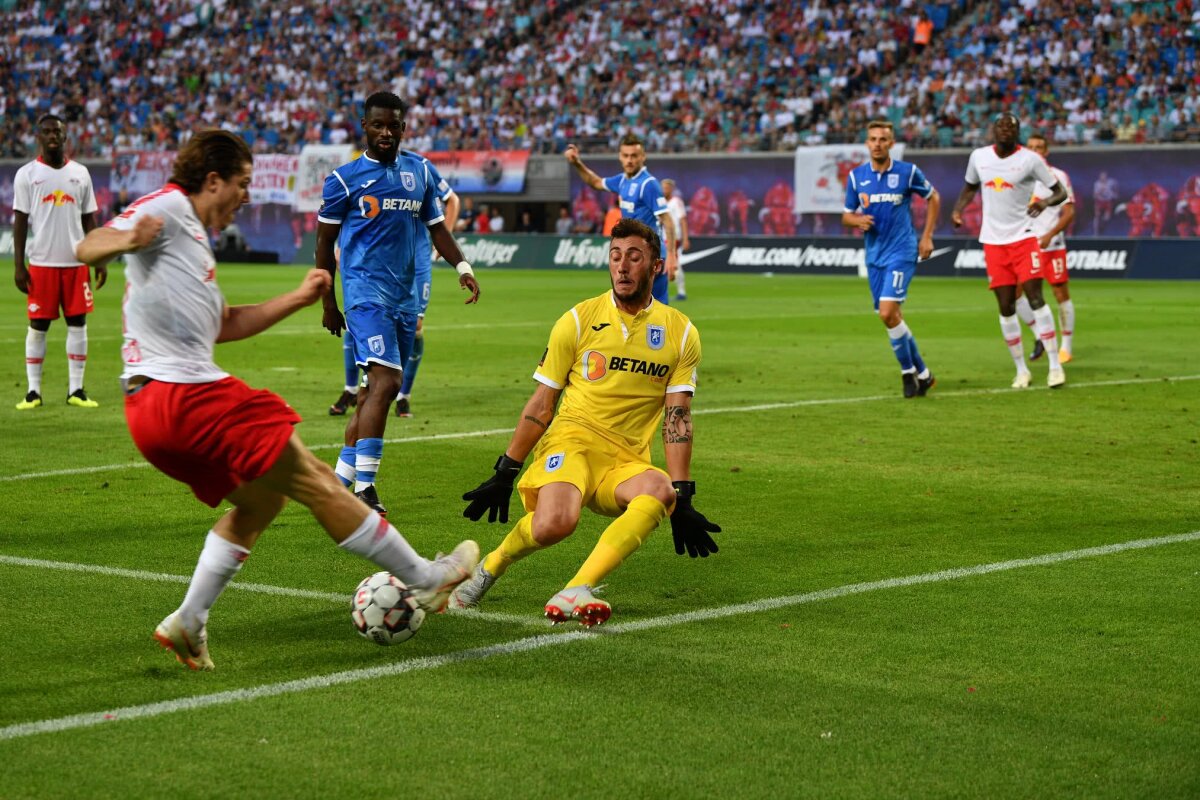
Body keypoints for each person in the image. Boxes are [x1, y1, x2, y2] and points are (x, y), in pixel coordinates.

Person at [74, 129, 478, 671]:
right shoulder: (168, 208)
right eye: (240, 184)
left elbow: (223, 323)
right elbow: (90, 242)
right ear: (211, 179)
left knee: (262, 501)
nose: (246, 195)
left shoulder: (191, 235)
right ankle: (428, 579)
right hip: (184, 396)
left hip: (152, 414)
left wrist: (297, 296)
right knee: (314, 477)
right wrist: (121, 242)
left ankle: (188, 622)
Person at [448, 218, 721, 627]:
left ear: (656, 266)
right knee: (556, 523)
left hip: (624, 461)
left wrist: (684, 495)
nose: (623, 266)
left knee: (661, 489)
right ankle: (492, 565)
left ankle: (576, 587)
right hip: (571, 442)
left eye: (634, 257)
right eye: (615, 257)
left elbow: (677, 414)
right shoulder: (578, 320)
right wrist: (506, 469)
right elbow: (543, 401)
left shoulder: (680, 333)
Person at [315, 91, 481, 516]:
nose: (386, 132)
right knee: (387, 384)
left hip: (405, 297)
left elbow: (437, 227)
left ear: (404, 127)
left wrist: (462, 266)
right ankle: (365, 490)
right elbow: (324, 243)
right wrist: (328, 302)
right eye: (378, 125)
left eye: (394, 125)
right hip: (364, 295)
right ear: (365, 127)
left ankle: (338, 482)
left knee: (374, 391)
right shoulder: (344, 179)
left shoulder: (420, 171)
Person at [329, 149, 461, 420]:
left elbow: (452, 201)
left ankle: (403, 396)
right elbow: (357, 215)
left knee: (415, 328)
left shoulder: (421, 166)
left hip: (415, 263)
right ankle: (351, 388)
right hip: (371, 265)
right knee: (358, 321)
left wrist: (440, 247)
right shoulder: (359, 170)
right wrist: (341, 245)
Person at [951, 112, 1069, 389]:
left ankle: (1054, 366)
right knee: (1006, 307)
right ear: (993, 130)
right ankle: (1021, 370)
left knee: (1035, 297)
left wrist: (1045, 203)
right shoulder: (979, 157)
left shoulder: (1030, 159)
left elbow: (1060, 192)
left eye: (1010, 126)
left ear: (1017, 132)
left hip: (1024, 237)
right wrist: (958, 210)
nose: (1005, 129)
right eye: (1000, 125)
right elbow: (970, 187)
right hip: (993, 242)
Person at [841, 120, 940, 398]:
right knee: (892, 317)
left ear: (891, 144)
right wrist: (858, 220)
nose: (877, 144)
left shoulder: (908, 173)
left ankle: (908, 373)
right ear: (867, 143)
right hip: (874, 256)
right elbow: (846, 214)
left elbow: (934, 198)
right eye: (872, 139)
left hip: (902, 251)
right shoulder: (856, 176)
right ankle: (924, 373)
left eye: (883, 139)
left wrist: (927, 236)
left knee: (887, 313)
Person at [12, 114, 103, 410]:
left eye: (58, 131)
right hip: (41, 264)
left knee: (78, 323)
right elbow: (20, 221)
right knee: (38, 325)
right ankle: (33, 392)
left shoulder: (81, 173)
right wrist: (18, 265)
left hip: (76, 263)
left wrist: (99, 257)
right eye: (47, 131)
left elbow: (89, 218)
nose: (53, 135)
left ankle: (76, 390)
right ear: (39, 137)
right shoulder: (26, 174)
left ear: (65, 137)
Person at [565, 133, 677, 304]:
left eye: (634, 156)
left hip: (651, 255)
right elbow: (595, 182)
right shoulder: (622, 181)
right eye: (626, 156)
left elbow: (667, 219)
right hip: (633, 255)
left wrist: (671, 255)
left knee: (654, 310)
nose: (629, 160)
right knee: (636, 309)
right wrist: (576, 163)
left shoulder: (648, 184)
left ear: (643, 157)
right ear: (620, 157)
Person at [1015, 133, 1076, 365]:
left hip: (1051, 245)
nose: (1034, 151)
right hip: (1024, 244)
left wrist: (1051, 235)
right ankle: (1040, 337)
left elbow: (1069, 211)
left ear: (1046, 151)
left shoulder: (1057, 176)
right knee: (1014, 293)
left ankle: (1066, 347)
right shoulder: (1017, 177)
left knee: (1060, 294)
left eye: (1039, 147)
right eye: (1030, 147)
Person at [662, 178, 690, 300]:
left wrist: (685, 238)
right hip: (663, 237)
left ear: (672, 189)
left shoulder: (676, 202)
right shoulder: (661, 202)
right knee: (669, 263)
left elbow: (683, 220)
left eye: (667, 188)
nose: (664, 190)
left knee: (673, 263)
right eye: (663, 187)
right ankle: (678, 291)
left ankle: (681, 292)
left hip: (674, 237)